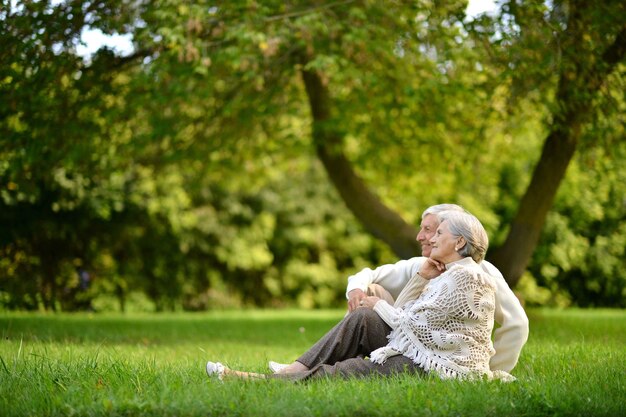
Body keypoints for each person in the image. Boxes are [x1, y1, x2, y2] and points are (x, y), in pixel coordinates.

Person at [206, 210, 516, 381]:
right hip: (421, 350)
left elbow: (410, 323)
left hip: (438, 368)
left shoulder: (465, 277)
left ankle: (252, 380)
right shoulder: (444, 271)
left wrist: (378, 302)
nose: (430, 239)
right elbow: (409, 317)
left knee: (351, 371)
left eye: (438, 234)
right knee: (364, 317)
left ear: (459, 242)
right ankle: (297, 369)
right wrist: (421, 277)